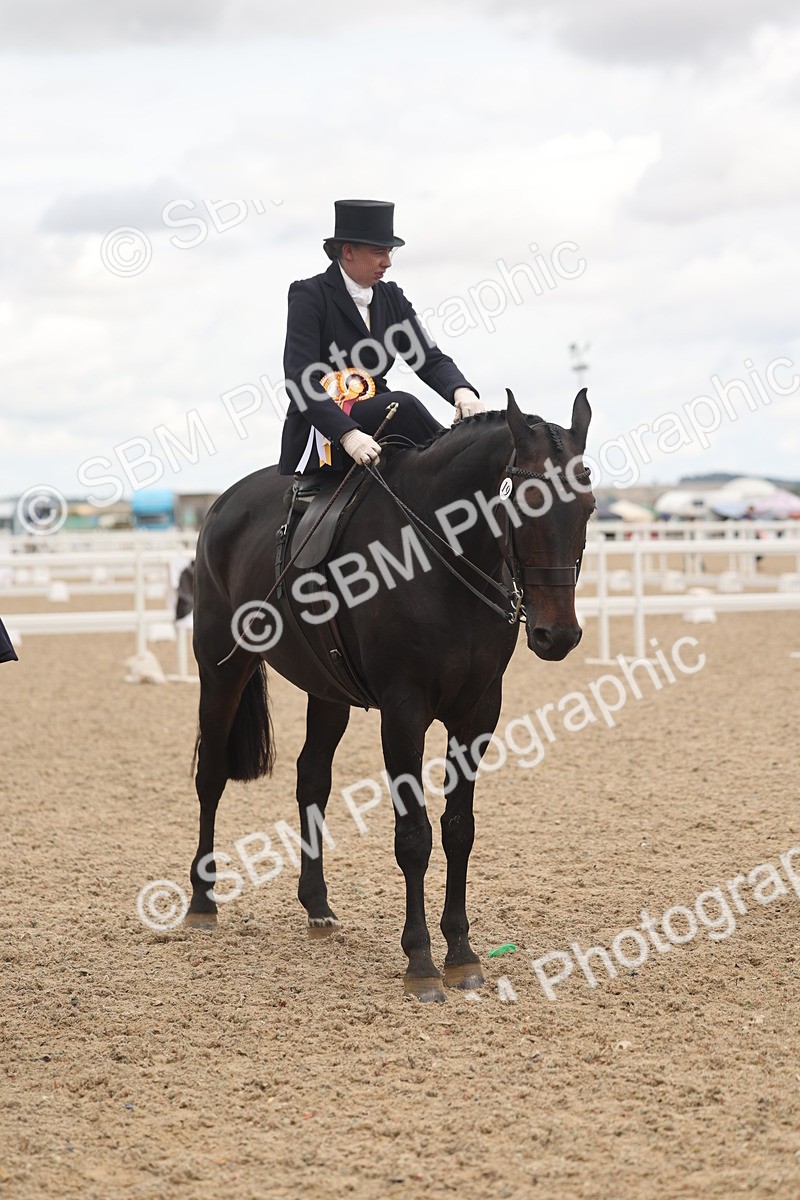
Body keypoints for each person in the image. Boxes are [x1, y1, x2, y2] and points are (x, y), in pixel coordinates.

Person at [278, 199, 484, 474]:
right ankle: (463, 467)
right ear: (348, 251)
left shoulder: (392, 297)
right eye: (379, 253)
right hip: (324, 429)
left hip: (381, 418)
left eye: (389, 253)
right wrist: (347, 434)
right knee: (403, 405)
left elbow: (429, 360)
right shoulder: (310, 296)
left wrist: (462, 391)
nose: (387, 263)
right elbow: (300, 379)